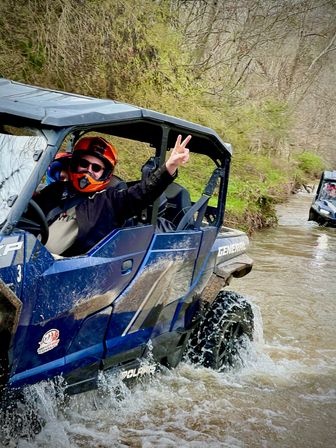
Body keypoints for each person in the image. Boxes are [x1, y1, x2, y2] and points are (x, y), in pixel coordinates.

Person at [34, 134, 191, 256]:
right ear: (74, 164)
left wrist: (169, 166)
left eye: (96, 168)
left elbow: (142, 193)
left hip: (67, 269)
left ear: (105, 173)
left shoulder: (109, 201)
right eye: (83, 164)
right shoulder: (55, 190)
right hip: (27, 252)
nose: (88, 170)